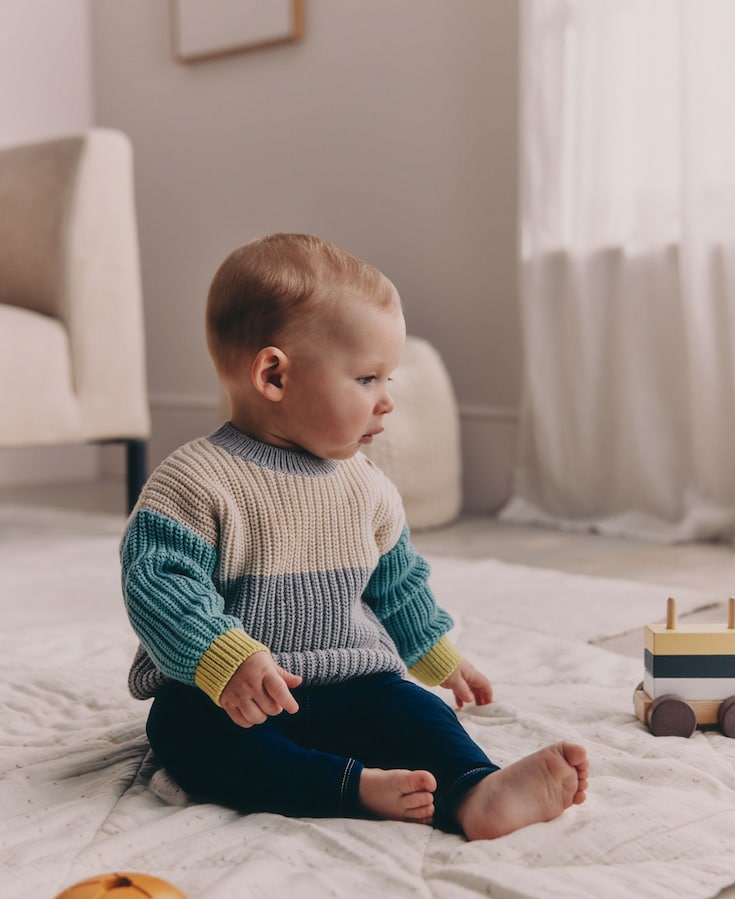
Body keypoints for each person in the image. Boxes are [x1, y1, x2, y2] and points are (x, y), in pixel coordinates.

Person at [121, 233, 589, 840]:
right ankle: (350, 789)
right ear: (274, 375)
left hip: (353, 682)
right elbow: (157, 585)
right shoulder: (195, 480)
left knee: (417, 713)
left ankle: (476, 790)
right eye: (368, 378)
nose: (387, 402)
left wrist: (437, 656)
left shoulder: (366, 486)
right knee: (184, 732)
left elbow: (399, 586)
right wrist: (222, 658)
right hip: (235, 695)